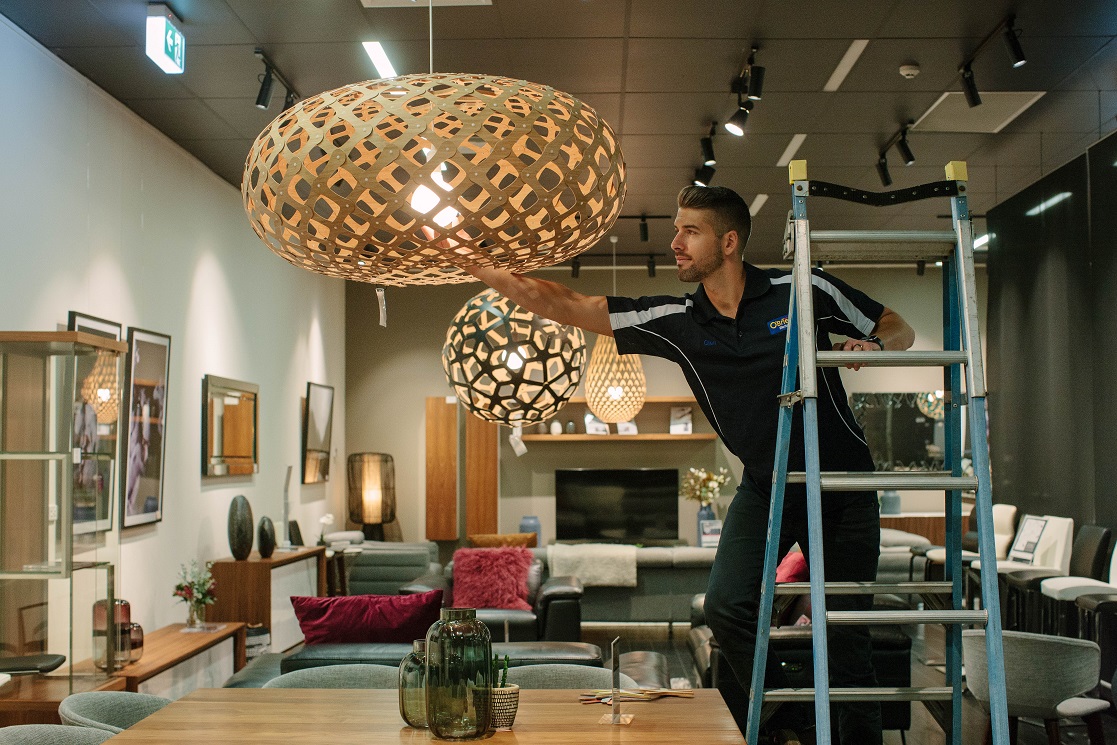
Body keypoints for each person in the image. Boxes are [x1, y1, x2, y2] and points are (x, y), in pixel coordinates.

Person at [465, 184, 914, 745]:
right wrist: (477, 263)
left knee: (846, 641)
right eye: (676, 229)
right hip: (767, 485)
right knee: (727, 606)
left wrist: (876, 347)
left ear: (729, 242)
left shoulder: (802, 288)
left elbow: (896, 324)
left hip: (842, 486)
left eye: (689, 231)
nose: (674, 242)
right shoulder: (677, 318)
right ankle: (785, 710)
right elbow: (565, 304)